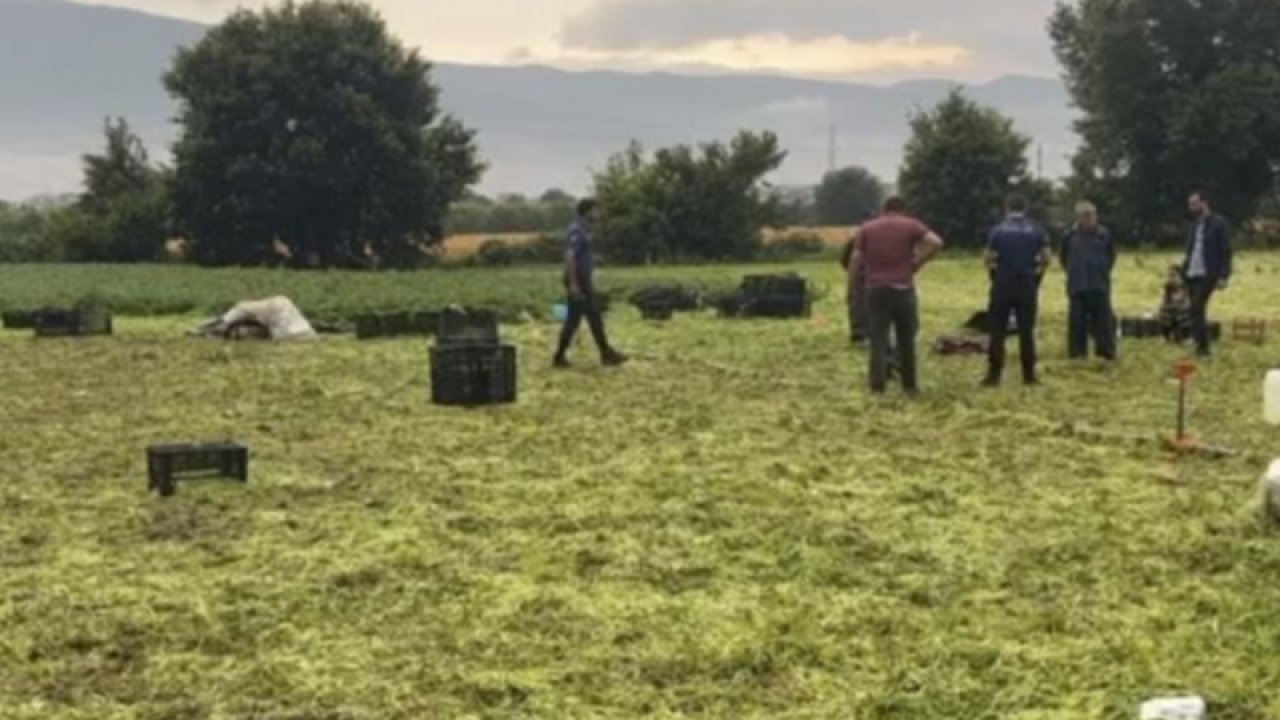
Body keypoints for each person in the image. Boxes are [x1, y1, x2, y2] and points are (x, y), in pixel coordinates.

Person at [850, 196, 944, 395]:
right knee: (906, 339)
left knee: (878, 339)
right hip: (903, 288)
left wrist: (852, 286)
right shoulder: (911, 225)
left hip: (876, 289)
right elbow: (936, 242)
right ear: (903, 210)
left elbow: (856, 257)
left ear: (883, 209)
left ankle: (877, 386)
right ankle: (909, 385)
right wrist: (918, 262)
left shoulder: (867, 228)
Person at [984, 196, 1052, 387]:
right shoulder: (1036, 230)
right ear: (1025, 208)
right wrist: (1036, 276)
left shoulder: (998, 231)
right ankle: (1029, 375)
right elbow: (1046, 258)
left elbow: (988, 258)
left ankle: (994, 374)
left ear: (1007, 208)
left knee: (997, 329)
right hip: (1027, 283)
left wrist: (995, 275)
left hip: (1003, 283)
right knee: (1026, 330)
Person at [553, 199, 626, 368]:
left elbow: (580, 255)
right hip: (578, 280)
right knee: (591, 317)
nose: (598, 214)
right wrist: (574, 284)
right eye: (596, 211)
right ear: (587, 212)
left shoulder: (585, 229)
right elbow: (570, 256)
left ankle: (561, 356)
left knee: (578, 320)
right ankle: (606, 354)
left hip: (582, 279)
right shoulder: (577, 230)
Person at [1060, 201, 1117, 360]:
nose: (1090, 218)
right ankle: (1078, 354)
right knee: (1077, 321)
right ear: (1078, 217)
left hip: (1099, 285)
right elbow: (1064, 258)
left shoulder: (1104, 234)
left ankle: (1106, 353)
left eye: (1092, 215)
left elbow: (1111, 256)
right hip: (1077, 286)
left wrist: (1102, 270)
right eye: (1086, 215)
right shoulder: (1069, 236)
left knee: (1103, 322)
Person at [1181, 190, 1232, 357]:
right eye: (1190, 204)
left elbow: (1225, 250)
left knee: (1196, 306)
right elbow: (1190, 250)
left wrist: (1223, 275)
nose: (1191, 207)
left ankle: (1202, 346)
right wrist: (1183, 270)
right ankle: (1199, 343)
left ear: (1204, 203)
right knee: (1195, 309)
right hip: (1192, 272)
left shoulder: (1219, 223)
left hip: (1208, 273)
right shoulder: (1194, 225)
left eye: (1194, 204)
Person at [1159, 265, 1193, 343]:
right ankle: (1165, 336)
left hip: (1183, 308)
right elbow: (1165, 300)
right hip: (1172, 308)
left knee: (1184, 313)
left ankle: (1187, 337)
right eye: (1170, 276)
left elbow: (1187, 301)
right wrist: (1170, 305)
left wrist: (1178, 305)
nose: (1171, 278)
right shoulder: (1168, 287)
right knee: (1164, 311)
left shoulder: (1185, 286)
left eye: (1174, 275)